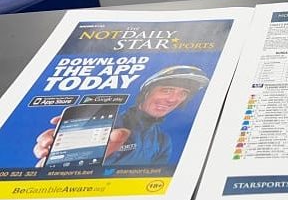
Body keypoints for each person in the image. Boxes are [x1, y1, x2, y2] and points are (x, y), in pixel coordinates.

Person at [33, 65, 209, 166]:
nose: (173, 99)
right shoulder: (108, 123)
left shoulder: (163, 141)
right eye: (167, 90)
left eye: (183, 93)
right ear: (146, 93)